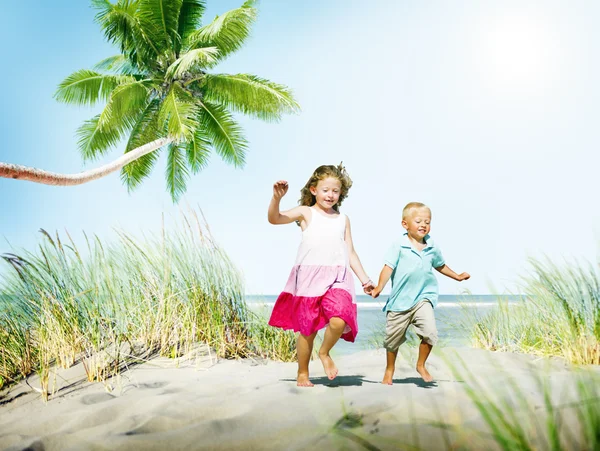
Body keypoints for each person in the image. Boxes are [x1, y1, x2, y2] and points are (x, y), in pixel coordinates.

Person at [268, 163, 374, 387]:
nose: (331, 195)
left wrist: (365, 280)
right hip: (309, 278)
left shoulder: (343, 219)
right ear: (314, 189)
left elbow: (350, 252)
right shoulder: (306, 212)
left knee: (339, 319)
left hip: (338, 277)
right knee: (307, 330)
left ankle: (324, 353)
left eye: (335, 191)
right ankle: (302, 373)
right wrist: (276, 198)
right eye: (326, 190)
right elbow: (274, 219)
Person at [370, 202, 470, 384]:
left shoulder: (432, 246)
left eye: (427, 221)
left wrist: (456, 276)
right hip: (399, 301)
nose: (424, 225)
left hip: (424, 297)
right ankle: (389, 369)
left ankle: (421, 364)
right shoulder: (399, 246)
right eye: (418, 221)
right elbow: (388, 268)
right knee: (393, 340)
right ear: (405, 224)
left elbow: (439, 265)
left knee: (430, 333)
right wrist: (379, 287)